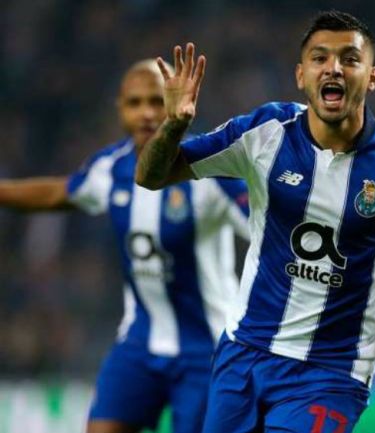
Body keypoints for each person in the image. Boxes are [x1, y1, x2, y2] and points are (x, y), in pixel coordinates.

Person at [135, 10, 375, 433]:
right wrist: (174, 125)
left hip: (331, 372)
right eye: (320, 58)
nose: (334, 68)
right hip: (245, 354)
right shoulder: (264, 133)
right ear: (301, 75)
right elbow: (150, 175)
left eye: (349, 59)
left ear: (373, 76)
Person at [0, 60, 250, 433]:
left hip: (208, 349)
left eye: (156, 101)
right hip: (139, 342)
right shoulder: (110, 168)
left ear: (176, 101)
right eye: (135, 103)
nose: (147, 113)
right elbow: (58, 192)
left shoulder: (207, 169)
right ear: (120, 109)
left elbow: (264, 227)